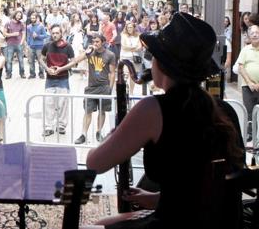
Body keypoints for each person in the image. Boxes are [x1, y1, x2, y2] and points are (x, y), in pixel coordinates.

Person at [86, 13, 244, 229]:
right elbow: (198, 184)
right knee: (106, 221)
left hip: (176, 223)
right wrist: (155, 198)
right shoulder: (225, 111)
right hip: (220, 223)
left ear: (162, 64)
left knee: (93, 226)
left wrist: (116, 132)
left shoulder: (153, 108)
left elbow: (94, 163)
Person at [73, 34, 116, 144]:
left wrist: (109, 89)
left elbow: (112, 73)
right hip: (91, 87)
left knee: (102, 111)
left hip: (104, 87)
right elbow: (75, 61)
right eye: (93, 41)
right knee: (88, 111)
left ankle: (99, 132)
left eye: (97, 41)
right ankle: (83, 134)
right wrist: (86, 52)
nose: (95, 44)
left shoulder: (110, 55)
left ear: (103, 42)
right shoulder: (90, 53)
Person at [41, 24, 75, 136]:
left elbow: (73, 62)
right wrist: (47, 69)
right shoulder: (47, 46)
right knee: (48, 103)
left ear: (61, 34)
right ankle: (48, 126)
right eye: (53, 33)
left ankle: (61, 125)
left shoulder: (68, 47)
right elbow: (41, 59)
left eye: (57, 33)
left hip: (63, 79)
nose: (55, 35)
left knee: (63, 103)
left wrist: (61, 69)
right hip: (50, 79)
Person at [235, 24, 259, 141]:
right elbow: (241, 67)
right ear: (249, 36)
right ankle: (250, 134)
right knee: (249, 112)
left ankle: (257, 135)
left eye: (257, 32)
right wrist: (250, 82)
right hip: (247, 86)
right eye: (253, 33)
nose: (255, 35)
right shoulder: (245, 50)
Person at [119, 23, 142, 96]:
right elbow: (124, 46)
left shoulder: (138, 35)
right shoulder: (123, 35)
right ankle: (125, 90)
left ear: (134, 28)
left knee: (133, 76)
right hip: (125, 57)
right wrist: (134, 48)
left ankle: (131, 92)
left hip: (134, 58)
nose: (129, 29)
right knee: (126, 74)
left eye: (131, 27)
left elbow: (140, 47)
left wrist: (131, 48)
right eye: (128, 27)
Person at [4, 11, 26, 79]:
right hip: (10, 44)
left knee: (21, 60)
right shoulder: (8, 23)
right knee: (9, 60)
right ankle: (9, 74)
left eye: (20, 16)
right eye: (18, 15)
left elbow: (24, 33)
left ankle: (22, 73)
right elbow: (4, 33)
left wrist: (21, 42)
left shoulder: (22, 24)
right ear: (14, 15)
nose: (19, 17)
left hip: (19, 44)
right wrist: (13, 34)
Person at [26, 12, 47, 79]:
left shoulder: (41, 26)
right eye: (31, 18)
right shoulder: (28, 27)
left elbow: (45, 35)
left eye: (34, 18)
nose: (32, 19)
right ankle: (32, 74)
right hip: (31, 46)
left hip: (39, 46)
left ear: (36, 18)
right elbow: (28, 36)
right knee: (31, 61)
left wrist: (37, 36)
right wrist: (28, 45)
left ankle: (41, 74)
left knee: (40, 60)